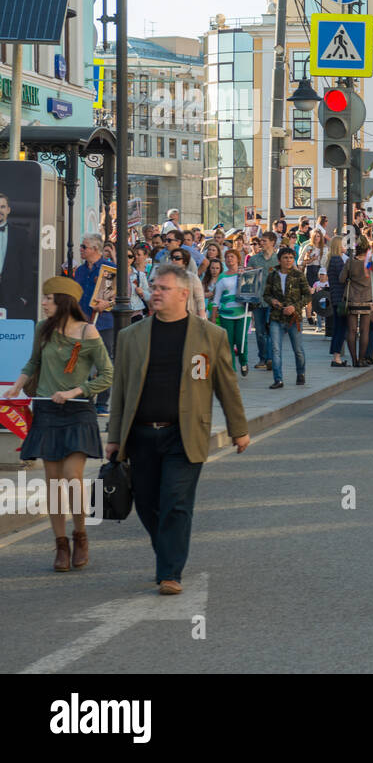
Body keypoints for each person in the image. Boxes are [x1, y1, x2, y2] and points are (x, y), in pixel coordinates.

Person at [106, 263, 251, 595]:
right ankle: (167, 553)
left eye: (163, 288)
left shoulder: (210, 336)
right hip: (141, 435)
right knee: (145, 502)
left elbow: (226, 386)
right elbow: (120, 390)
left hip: (183, 434)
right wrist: (114, 438)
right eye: (154, 286)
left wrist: (238, 429)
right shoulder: (132, 336)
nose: (155, 292)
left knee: (176, 501)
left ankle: (170, 572)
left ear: (184, 294)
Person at [4, 277, 113, 571]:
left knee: (72, 478)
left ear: (63, 301)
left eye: (48, 298)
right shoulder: (44, 329)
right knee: (52, 484)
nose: (43, 302)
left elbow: (107, 375)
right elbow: (33, 363)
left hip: (78, 411)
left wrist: (76, 391)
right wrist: (17, 386)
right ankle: (61, 546)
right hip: (47, 411)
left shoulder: (89, 332)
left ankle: (81, 535)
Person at [72, 234, 116, 414]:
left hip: (103, 323)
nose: (81, 250)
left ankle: (102, 403)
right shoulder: (80, 271)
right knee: (82, 362)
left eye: (84, 247)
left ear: (95, 250)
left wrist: (108, 304)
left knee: (104, 363)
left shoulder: (109, 268)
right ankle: (85, 399)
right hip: (82, 324)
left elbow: (123, 297)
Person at [262, 246, 309, 389]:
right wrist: (272, 301)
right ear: (279, 260)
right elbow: (266, 295)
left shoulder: (298, 275)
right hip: (277, 317)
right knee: (276, 349)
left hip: (294, 318)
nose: (288, 260)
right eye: (285, 258)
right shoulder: (272, 275)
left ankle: (300, 373)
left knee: (298, 350)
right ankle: (278, 379)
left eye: (290, 258)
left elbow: (307, 295)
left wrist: (295, 307)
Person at [210, 248, 250, 376]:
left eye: (232, 256)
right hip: (226, 315)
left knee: (241, 341)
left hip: (243, 313)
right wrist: (213, 317)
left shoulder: (244, 273)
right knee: (229, 343)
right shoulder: (222, 277)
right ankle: (232, 369)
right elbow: (216, 299)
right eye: (227, 257)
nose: (229, 259)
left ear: (238, 259)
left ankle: (243, 362)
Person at [246, 232, 278, 371]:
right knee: (260, 332)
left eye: (264, 241)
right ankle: (262, 358)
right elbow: (247, 279)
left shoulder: (278, 259)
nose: (261, 243)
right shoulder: (254, 259)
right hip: (258, 301)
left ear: (272, 242)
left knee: (271, 330)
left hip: (273, 301)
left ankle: (271, 359)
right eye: (261, 241)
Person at [343, 238, 373, 368]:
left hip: (352, 298)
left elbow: (341, 278)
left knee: (351, 331)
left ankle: (354, 359)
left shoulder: (350, 262)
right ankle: (362, 359)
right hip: (366, 299)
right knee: (364, 331)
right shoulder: (369, 263)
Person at [324, 236, 349, 367]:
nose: (345, 246)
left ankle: (336, 356)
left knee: (339, 328)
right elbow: (343, 278)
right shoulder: (337, 260)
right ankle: (336, 357)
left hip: (335, 297)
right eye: (343, 244)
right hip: (340, 298)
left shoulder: (332, 259)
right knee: (341, 328)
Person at [127, 243, 152, 322]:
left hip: (136, 313)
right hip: (120, 313)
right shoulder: (114, 274)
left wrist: (142, 292)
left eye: (130, 256)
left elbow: (148, 296)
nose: (127, 259)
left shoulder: (140, 275)